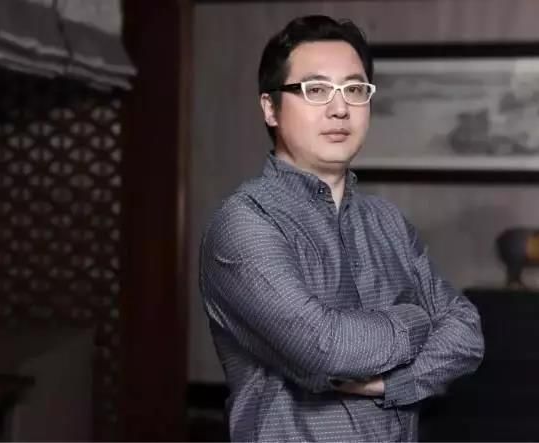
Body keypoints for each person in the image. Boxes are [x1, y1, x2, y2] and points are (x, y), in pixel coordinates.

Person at [199, 15, 484, 442]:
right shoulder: (244, 224)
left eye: (354, 89)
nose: (339, 108)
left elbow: (466, 333)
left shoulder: (386, 221)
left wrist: (395, 384)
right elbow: (327, 349)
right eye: (315, 90)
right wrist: (417, 319)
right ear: (270, 108)